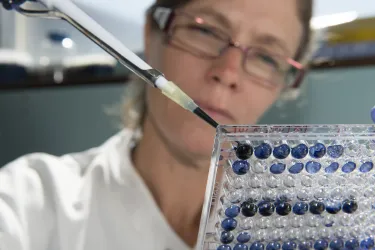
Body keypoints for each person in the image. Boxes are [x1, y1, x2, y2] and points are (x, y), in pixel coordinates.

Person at [0, 0, 314, 249]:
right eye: (206, 31)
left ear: (284, 86)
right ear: (152, 34)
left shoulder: (306, 227)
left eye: (267, 58)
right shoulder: (28, 205)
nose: (228, 73)